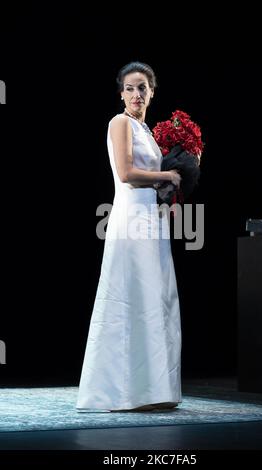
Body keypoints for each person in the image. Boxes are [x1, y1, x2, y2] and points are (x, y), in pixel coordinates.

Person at [76, 62, 182, 412]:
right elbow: (126, 173)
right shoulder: (120, 122)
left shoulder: (146, 129)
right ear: (121, 92)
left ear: (152, 92)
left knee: (154, 297)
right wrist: (168, 175)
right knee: (127, 295)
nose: (137, 94)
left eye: (143, 88)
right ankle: (118, 391)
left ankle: (152, 390)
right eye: (131, 88)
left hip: (151, 219)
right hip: (130, 217)